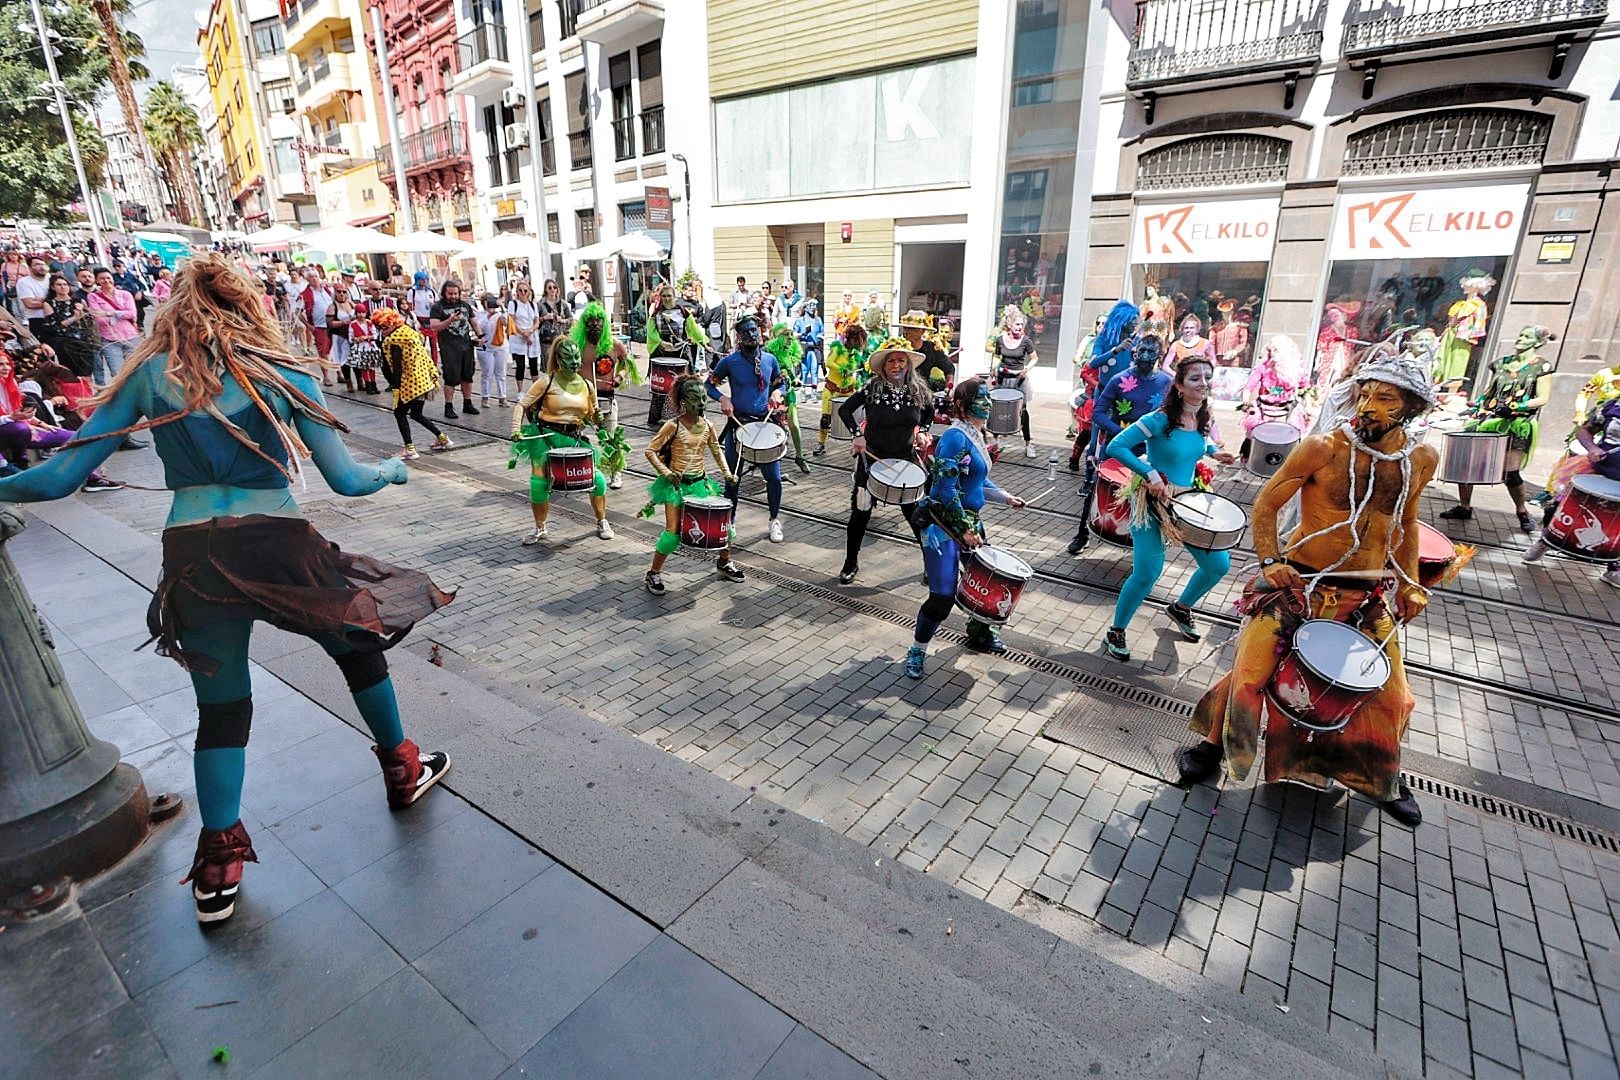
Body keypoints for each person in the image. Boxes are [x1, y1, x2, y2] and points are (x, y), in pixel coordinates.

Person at [0, 253, 454, 921]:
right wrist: (390, 469)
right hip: (276, 542)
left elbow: (58, 478)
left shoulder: (150, 375)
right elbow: (347, 481)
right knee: (357, 645)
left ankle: (219, 865)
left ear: (172, 311)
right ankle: (401, 768)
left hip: (195, 551)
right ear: (251, 306)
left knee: (223, 710)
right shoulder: (283, 371)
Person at [1177, 352, 1439, 827]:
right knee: (1251, 674)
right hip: (1299, 584)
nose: (1369, 406)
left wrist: (1412, 583)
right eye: (1365, 394)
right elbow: (1267, 501)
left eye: (1385, 398)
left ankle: (1381, 777)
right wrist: (1271, 561)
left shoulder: (1421, 459)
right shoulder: (1324, 447)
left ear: (1411, 408)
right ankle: (1213, 746)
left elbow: (1406, 521)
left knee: (1394, 696)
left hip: (1366, 595)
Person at [1102, 354, 1238, 660]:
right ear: (1178, 385)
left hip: (1187, 500)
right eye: (1195, 378)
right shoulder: (1159, 419)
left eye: (1206, 377)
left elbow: (1201, 444)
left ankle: (1181, 608)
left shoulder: (1204, 415)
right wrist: (1150, 474)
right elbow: (1117, 446)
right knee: (1148, 571)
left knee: (1218, 565)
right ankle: (1117, 629)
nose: (1203, 383)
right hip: (1152, 501)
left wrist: (1217, 454)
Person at [905, 378, 1029, 676]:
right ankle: (917, 650)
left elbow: (976, 479)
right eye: (981, 398)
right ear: (961, 405)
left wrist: (1004, 496)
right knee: (942, 595)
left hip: (970, 523)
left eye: (988, 398)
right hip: (942, 528)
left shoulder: (975, 435)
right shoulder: (954, 438)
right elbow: (945, 491)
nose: (987, 403)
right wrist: (963, 530)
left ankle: (980, 631)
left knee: (985, 581)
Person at [1440, 324, 1555, 532]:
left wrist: (1518, 406)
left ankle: (1522, 512)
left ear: (1537, 343)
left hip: (1518, 424)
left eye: (1526, 336)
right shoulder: (1501, 364)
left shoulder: (1541, 366)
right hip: (1490, 419)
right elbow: (1490, 390)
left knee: (1511, 472)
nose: (1520, 339)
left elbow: (1543, 398)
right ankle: (1464, 507)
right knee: (1466, 464)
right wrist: (1477, 404)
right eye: (1520, 334)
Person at [839, 337, 932, 584]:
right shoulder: (872, 388)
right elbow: (844, 410)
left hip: (905, 462)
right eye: (892, 360)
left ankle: (931, 564)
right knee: (860, 514)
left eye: (902, 360)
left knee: (916, 517)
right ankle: (850, 563)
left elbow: (929, 412)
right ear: (884, 365)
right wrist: (857, 435)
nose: (897, 365)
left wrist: (922, 430)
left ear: (908, 365)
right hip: (872, 462)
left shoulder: (918, 391)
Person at [640, 374, 744, 593]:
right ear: (684, 403)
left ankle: (724, 562)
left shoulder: (708, 425)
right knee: (672, 534)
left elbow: (717, 450)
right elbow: (650, 451)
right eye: (697, 400)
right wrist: (667, 472)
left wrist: (727, 474)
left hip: (701, 484)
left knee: (725, 529)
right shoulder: (672, 426)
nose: (702, 404)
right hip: (676, 488)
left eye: (704, 399)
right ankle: (653, 573)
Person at [510, 336, 614, 543]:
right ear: (558, 359)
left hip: (574, 440)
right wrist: (515, 428)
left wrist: (599, 420)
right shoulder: (546, 382)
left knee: (598, 481)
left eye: (576, 357)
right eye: (568, 357)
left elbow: (592, 415)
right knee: (539, 485)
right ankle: (540, 528)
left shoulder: (587, 385)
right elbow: (521, 405)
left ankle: (602, 520)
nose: (574, 362)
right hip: (545, 438)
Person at [1067, 300, 1142, 554]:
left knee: (1133, 471)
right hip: (1106, 407)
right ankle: (1083, 532)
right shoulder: (1106, 338)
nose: (1135, 324)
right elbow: (1093, 363)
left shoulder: (1138, 341)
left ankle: (1131, 532)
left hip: (1131, 410)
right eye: (1132, 320)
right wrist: (1116, 351)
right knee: (1098, 462)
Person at [1523, 391, 1620, 587]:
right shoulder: (1614, 405)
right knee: (1561, 506)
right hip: (1598, 469)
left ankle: (1614, 568)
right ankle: (1546, 541)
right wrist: (1592, 448)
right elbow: (1585, 430)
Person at [709, 314, 787, 543]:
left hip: (765, 424)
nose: (752, 335)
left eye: (754, 330)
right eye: (746, 332)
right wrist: (723, 398)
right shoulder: (729, 362)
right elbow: (708, 384)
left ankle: (774, 519)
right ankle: (729, 523)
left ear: (760, 332)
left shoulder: (770, 359)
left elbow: (782, 382)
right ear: (739, 337)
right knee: (732, 478)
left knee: (774, 477)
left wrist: (776, 392)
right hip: (738, 425)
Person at [374, 307, 452, 459]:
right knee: (416, 414)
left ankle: (409, 448)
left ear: (392, 323)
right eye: (379, 328)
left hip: (410, 384)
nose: (382, 331)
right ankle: (442, 438)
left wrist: (396, 390)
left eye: (385, 327)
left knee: (399, 413)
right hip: (423, 381)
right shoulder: (409, 332)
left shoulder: (394, 340)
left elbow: (397, 368)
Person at [575, 302, 634, 488]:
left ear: (604, 323)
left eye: (598, 321)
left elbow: (628, 363)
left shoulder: (615, 345)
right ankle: (576, 471)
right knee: (572, 434)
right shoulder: (578, 345)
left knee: (611, 438)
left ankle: (616, 474)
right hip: (582, 400)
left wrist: (619, 376)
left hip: (606, 398)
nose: (594, 325)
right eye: (590, 321)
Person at [1240, 335, 1309, 452]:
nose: (1269, 354)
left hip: (1287, 412)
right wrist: (1245, 403)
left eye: (1272, 351)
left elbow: (1306, 389)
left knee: (1287, 442)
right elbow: (1248, 388)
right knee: (1256, 441)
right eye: (1269, 351)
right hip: (1263, 412)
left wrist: (1307, 406)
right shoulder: (1262, 368)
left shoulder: (1296, 370)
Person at [647, 285, 703, 426]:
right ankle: (655, 419)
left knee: (688, 386)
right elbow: (651, 332)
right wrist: (660, 342)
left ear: (674, 297)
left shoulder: (683, 312)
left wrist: (704, 343)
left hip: (681, 352)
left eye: (669, 296)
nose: (666, 299)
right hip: (662, 354)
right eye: (664, 296)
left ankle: (693, 415)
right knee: (661, 388)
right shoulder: (656, 314)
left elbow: (693, 329)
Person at [989, 304, 1038, 458]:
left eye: (1022, 325)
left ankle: (1029, 443)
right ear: (1010, 325)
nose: (1020, 327)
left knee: (1022, 410)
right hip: (1003, 378)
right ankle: (996, 441)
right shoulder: (1000, 340)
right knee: (998, 409)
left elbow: (1035, 358)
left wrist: (1026, 369)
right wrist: (993, 369)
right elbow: (997, 356)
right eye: (1017, 324)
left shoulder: (1026, 341)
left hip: (1019, 380)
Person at [815, 322, 870, 456]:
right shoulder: (838, 348)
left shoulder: (854, 353)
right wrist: (840, 369)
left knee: (856, 419)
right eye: (857, 341)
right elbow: (828, 363)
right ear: (851, 338)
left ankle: (856, 445)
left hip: (849, 389)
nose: (858, 344)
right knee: (825, 420)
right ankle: (821, 444)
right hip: (832, 389)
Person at [763, 321, 810, 474]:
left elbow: (792, 372)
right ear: (777, 337)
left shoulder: (791, 351)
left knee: (794, 424)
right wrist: (775, 379)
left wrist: (794, 378)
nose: (790, 338)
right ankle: (770, 461)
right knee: (772, 427)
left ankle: (799, 455)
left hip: (788, 393)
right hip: (772, 394)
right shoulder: (768, 352)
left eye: (791, 334)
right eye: (786, 334)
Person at [428, 281, 480, 419]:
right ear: (444, 293)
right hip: (449, 348)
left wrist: (480, 337)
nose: (453, 296)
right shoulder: (437, 307)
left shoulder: (465, 306)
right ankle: (448, 406)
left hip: (466, 346)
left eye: (456, 293)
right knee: (450, 378)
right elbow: (434, 327)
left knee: (467, 376)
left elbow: (474, 323)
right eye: (450, 293)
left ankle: (467, 403)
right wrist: (450, 320)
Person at [87, 267, 141, 384]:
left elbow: (132, 313)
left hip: (130, 335)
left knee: (137, 369)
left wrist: (110, 313)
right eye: (102, 278)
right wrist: (122, 315)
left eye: (108, 278)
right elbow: (99, 319)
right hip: (109, 339)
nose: (106, 281)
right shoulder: (93, 297)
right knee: (117, 373)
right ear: (97, 281)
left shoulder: (125, 294)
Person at [37, 275, 97, 379]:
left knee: (86, 372)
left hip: (83, 339)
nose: (63, 287)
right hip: (64, 341)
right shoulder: (49, 303)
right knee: (70, 372)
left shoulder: (79, 301)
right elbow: (54, 325)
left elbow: (89, 320)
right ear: (53, 287)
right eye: (59, 285)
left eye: (65, 284)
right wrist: (74, 317)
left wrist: (83, 312)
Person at [474, 294, 512, 408]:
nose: (489, 304)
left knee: (501, 373)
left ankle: (502, 397)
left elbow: (506, 322)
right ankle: (485, 397)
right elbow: (479, 327)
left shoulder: (500, 313)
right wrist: (488, 316)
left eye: (490, 301)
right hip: (486, 349)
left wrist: (502, 308)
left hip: (501, 347)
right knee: (487, 373)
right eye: (486, 301)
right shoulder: (479, 314)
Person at [507, 279, 540, 394]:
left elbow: (536, 321)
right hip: (518, 336)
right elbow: (512, 321)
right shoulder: (513, 304)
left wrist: (530, 331)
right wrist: (523, 333)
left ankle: (536, 390)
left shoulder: (533, 305)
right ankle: (520, 391)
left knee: (533, 364)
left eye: (525, 290)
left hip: (531, 336)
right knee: (520, 365)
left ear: (529, 292)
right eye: (520, 290)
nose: (523, 293)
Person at [17, 256, 52, 336]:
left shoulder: (51, 278)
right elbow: (30, 304)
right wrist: (52, 302)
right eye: (37, 264)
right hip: (38, 319)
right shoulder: (24, 282)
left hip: (56, 317)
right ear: (30, 268)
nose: (42, 267)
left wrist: (39, 299)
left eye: (43, 264)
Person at [794, 299, 824, 389]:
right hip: (804, 348)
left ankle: (814, 393)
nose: (812, 307)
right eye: (810, 305)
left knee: (814, 371)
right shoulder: (800, 320)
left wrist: (820, 336)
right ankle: (803, 392)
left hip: (815, 348)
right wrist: (802, 333)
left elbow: (822, 331)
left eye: (814, 305)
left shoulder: (818, 320)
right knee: (804, 371)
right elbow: (794, 333)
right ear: (805, 307)